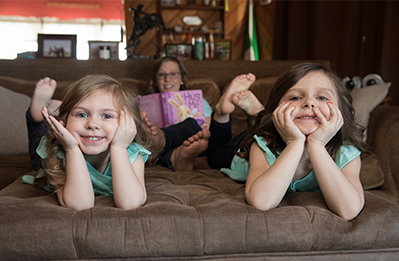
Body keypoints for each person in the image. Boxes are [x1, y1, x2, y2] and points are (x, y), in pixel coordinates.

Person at [207, 63, 367, 220]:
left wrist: (317, 145)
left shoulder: (346, 153)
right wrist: (294, 142)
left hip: (270, 129)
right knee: (215, 155)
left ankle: (259, 115)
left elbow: (349, 209)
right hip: (248, 146)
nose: (309, 103)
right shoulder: (263, 145)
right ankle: (222, 112)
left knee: (263, 126)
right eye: (296, 97)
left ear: (341, 112)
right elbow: (262, 201)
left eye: (322, 97)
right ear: (277, 109)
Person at [23, 74, 152, 211]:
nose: (93, 124)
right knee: (38, 153)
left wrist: (119, 147)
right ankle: (37, 117)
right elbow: (80, 204)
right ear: (66, 121)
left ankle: (58, 108)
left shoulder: (133, 154)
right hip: (51, 154)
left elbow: (130, 203)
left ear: (129, 124)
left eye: (107, 116)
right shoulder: (58, 153)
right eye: (82, 114)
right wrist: (71, 148)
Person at [141, 56, 211, 171]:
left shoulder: (197, 100)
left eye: (173, 74)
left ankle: (162, 140)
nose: (167, 79)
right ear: (155, 79)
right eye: (162, 74)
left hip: (189, 141)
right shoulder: (142, 101)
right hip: (154, 146)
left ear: (181, 78)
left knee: (191, 123)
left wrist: (205, 126)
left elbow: (208, 124)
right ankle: (174, 157)